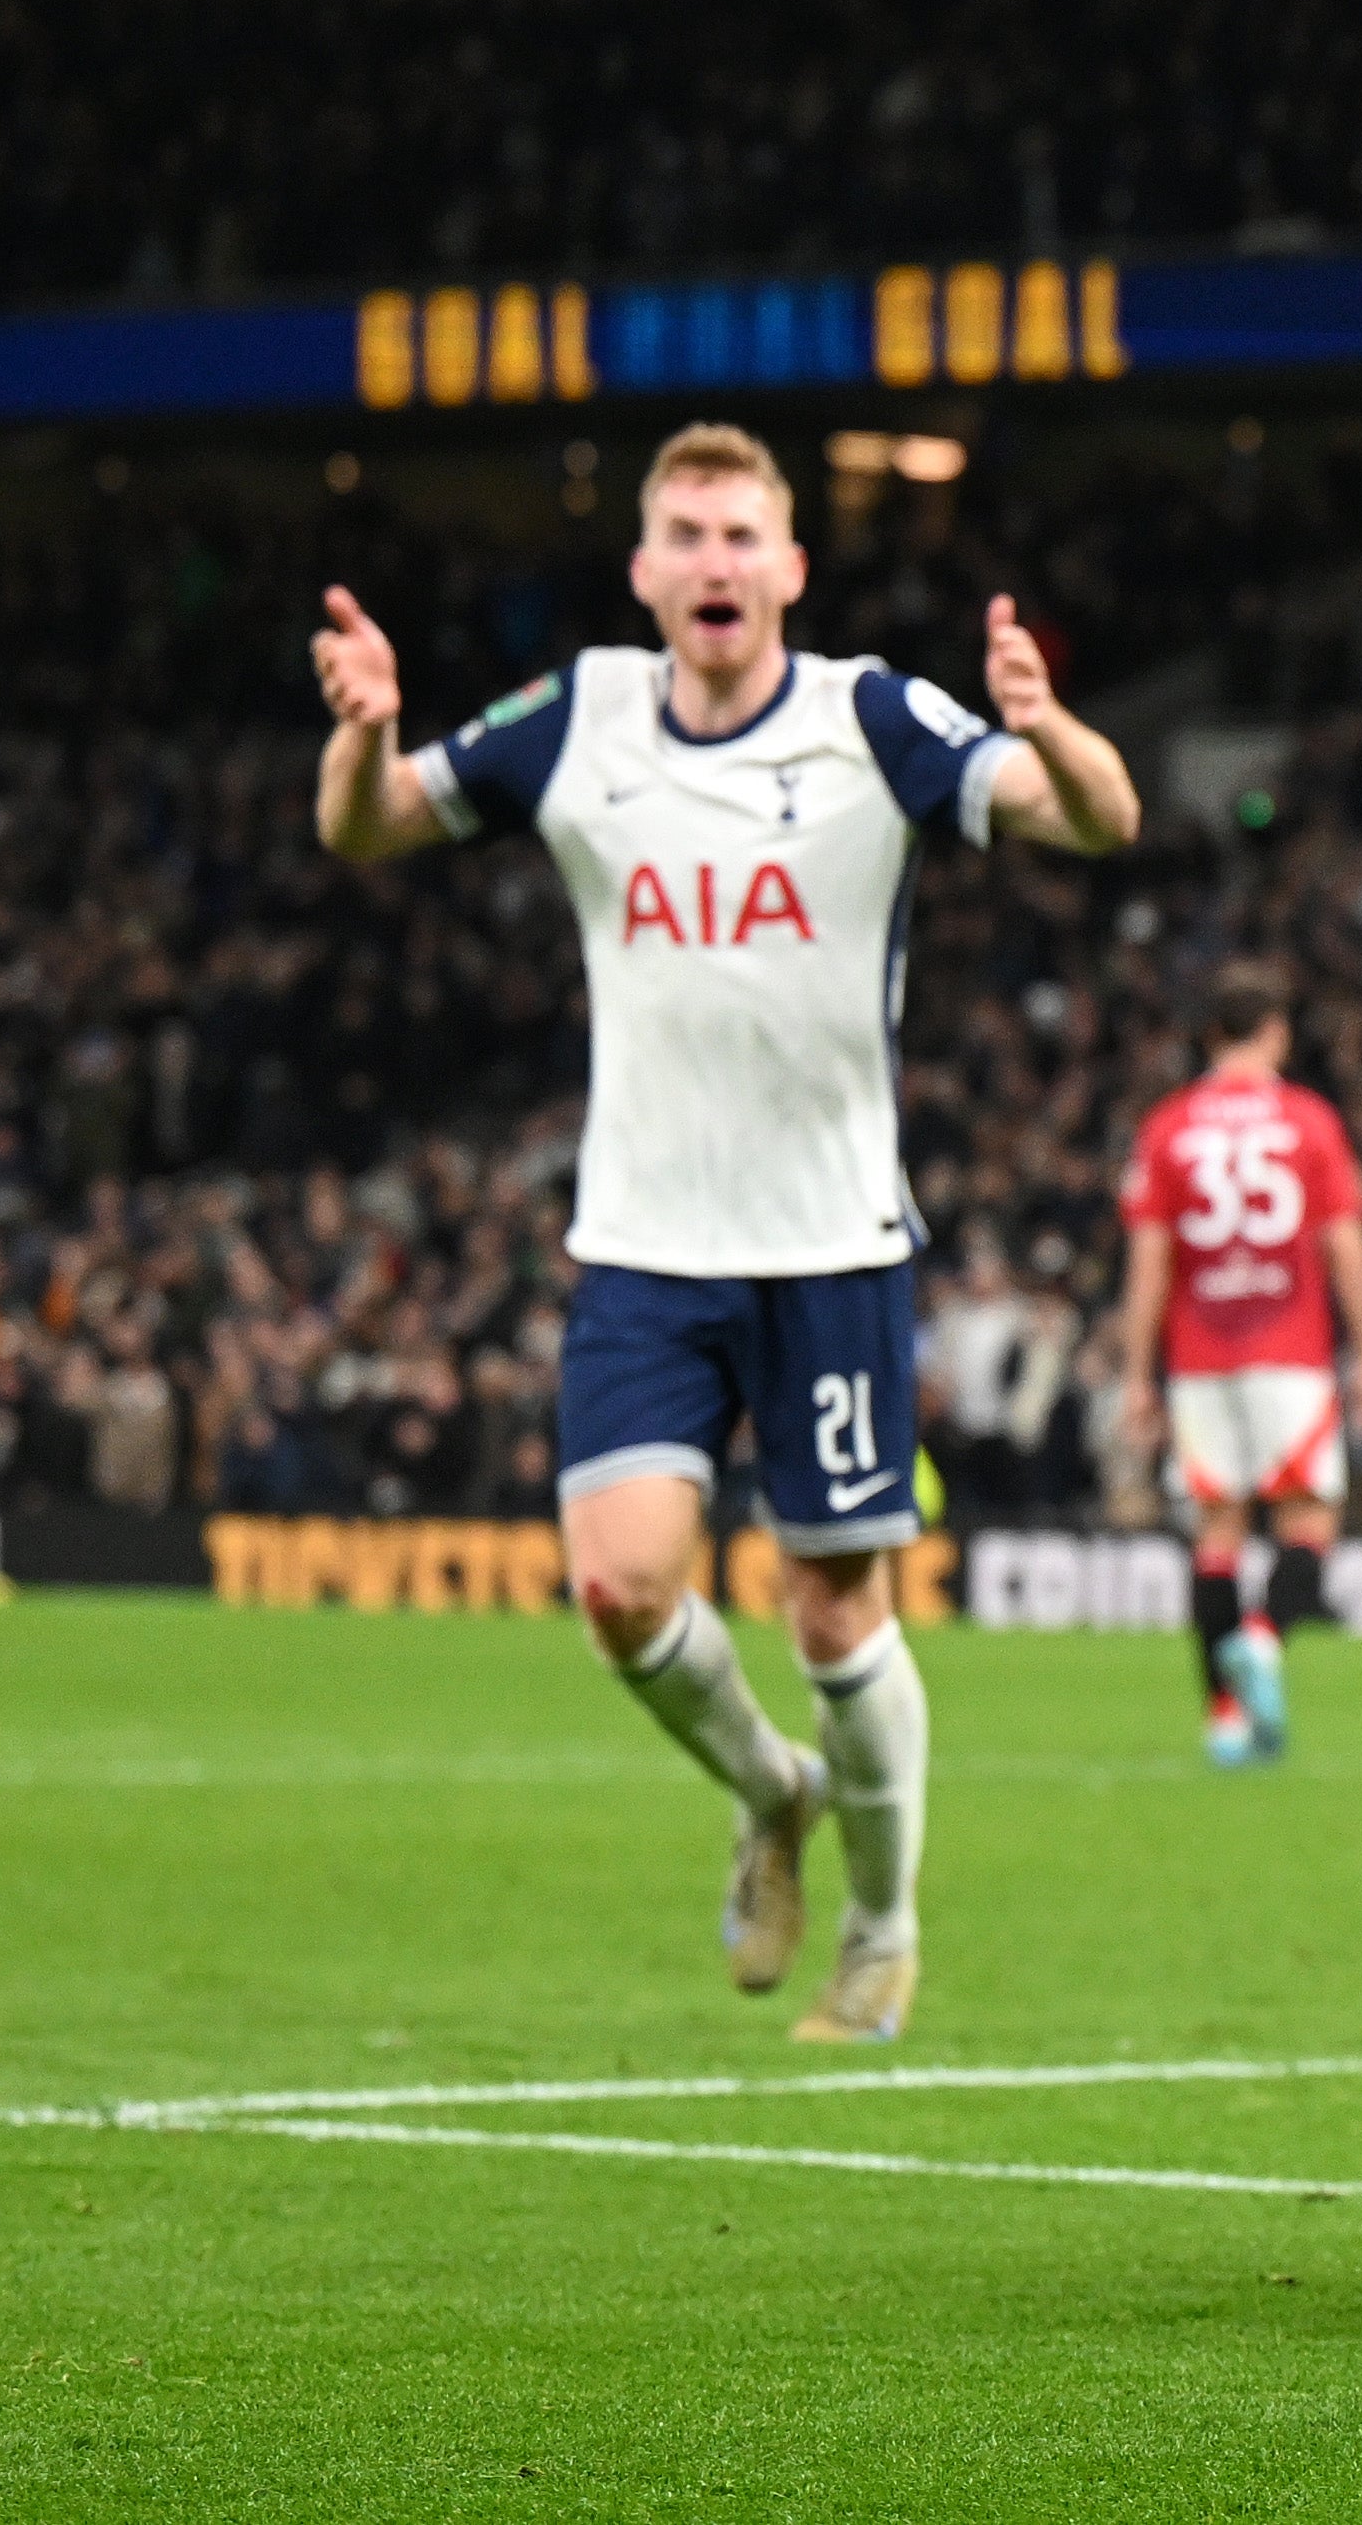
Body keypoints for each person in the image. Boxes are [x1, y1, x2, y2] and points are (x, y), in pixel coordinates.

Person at [307, 420, 1138, 2044]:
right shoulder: (582, 714)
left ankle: (884, 1932)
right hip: (642, 1240)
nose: (713, 561)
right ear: (643, 570)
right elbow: (369, 828)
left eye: (740, 535)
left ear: (789, 570)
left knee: (837, 1613)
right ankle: (773, 1794)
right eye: (684, 533)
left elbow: (1093, 822)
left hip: (831, 1243)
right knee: (619, 1593)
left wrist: (1055, 728)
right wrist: (364, 732)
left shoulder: (869, 718)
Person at [1114, 958, 1362, 1767]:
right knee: (1308, 1522)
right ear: (1277, 1033)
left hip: (1201, 1355)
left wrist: (1138, 1374)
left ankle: (1225, 1720)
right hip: (1290, 1350)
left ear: (1209, 1035)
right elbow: (1345, 1243)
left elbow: (1149, 1261)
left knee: (1216, 1535)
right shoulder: (1308, 1121)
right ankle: (1264, 1640)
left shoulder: (1167, 1126)